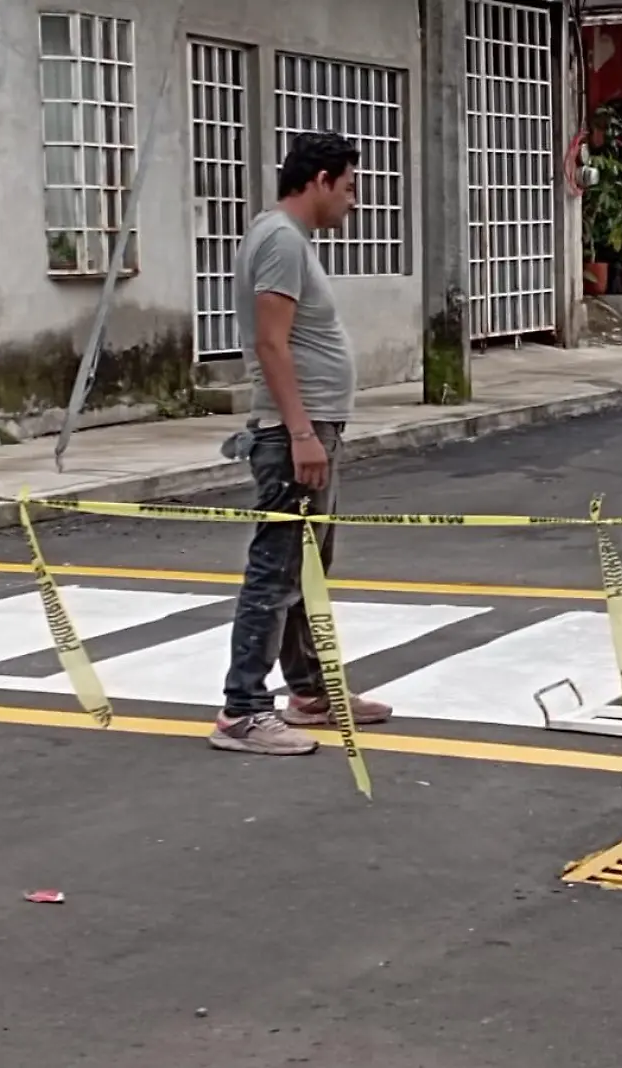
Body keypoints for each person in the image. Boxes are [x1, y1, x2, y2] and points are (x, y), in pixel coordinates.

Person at [210, 131, 395, 756]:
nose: (353, 201)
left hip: (313, 428)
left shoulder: (288, 240)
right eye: (348, 187)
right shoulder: (283, 241)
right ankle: (243, 710)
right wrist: (300, 433)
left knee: (305, 568)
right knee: (277, 570)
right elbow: (271, 341)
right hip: (297, 432)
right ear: (318, 181)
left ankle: (310, 691)